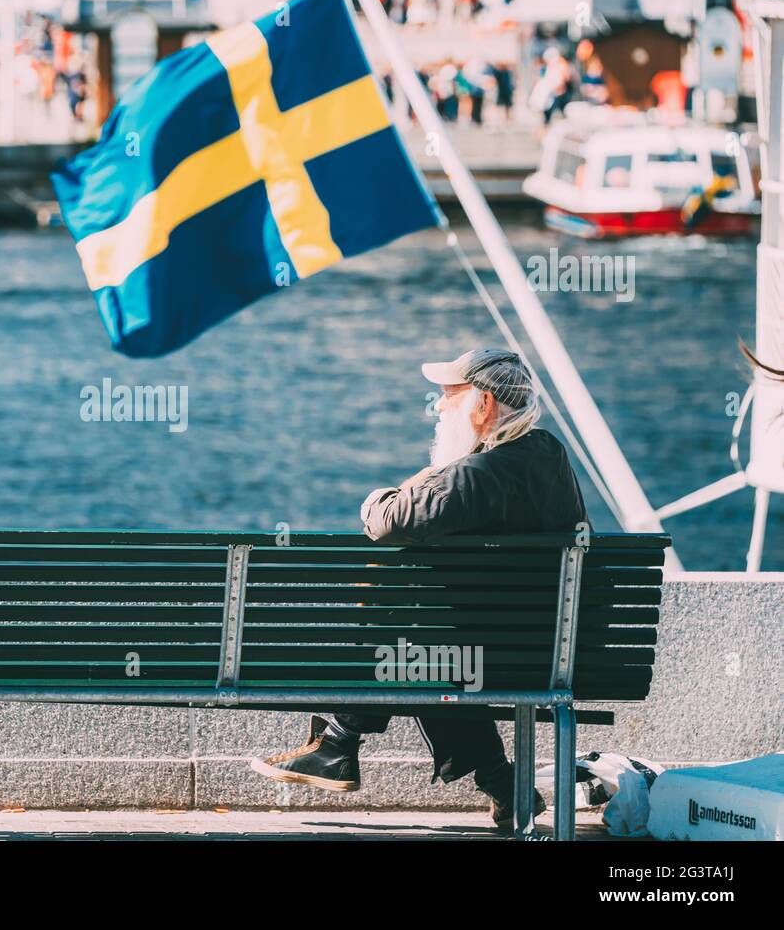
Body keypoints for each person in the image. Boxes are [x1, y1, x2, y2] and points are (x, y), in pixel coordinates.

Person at [249, 348, 591, 831]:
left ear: (484, 405)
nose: (439, 409)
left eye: (449, 397)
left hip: (487, 656)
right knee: (428, 634)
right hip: (549, 652)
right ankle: (499, 783)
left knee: (416, 642)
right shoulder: (547, 455)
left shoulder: (478, 475)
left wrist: (376, 499)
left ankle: (338, 743)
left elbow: (390, 521)